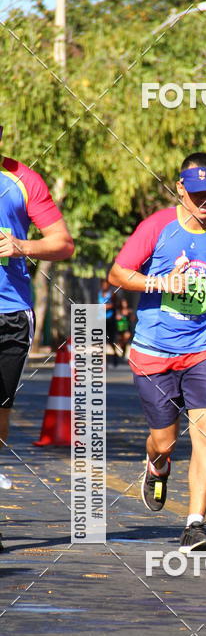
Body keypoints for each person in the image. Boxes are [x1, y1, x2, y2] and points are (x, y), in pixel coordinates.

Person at [108, 152, 206, 553]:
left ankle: (195, 525)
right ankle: (157, 465)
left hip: (205, 346)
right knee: (164, 440)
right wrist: (162, 284)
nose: (205, 200)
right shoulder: (156, 227)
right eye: (197, 193)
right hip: (155, 348)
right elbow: (117, 274)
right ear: (180, 189)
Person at [0, 126, 74, 479]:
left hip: (10, 311)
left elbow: (63, 243)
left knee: (0, 412)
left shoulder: (23, 179)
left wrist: (21, 246)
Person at [98, 278, 118, 366]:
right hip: (101, 319)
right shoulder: (99, 294)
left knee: (111, 340)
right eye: (103, 284)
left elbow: (115, 305)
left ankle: (115, 357)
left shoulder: (112, 294)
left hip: (110, 319)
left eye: (106, 284)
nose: (104, 286)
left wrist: (108, 307)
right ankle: (103, 361)